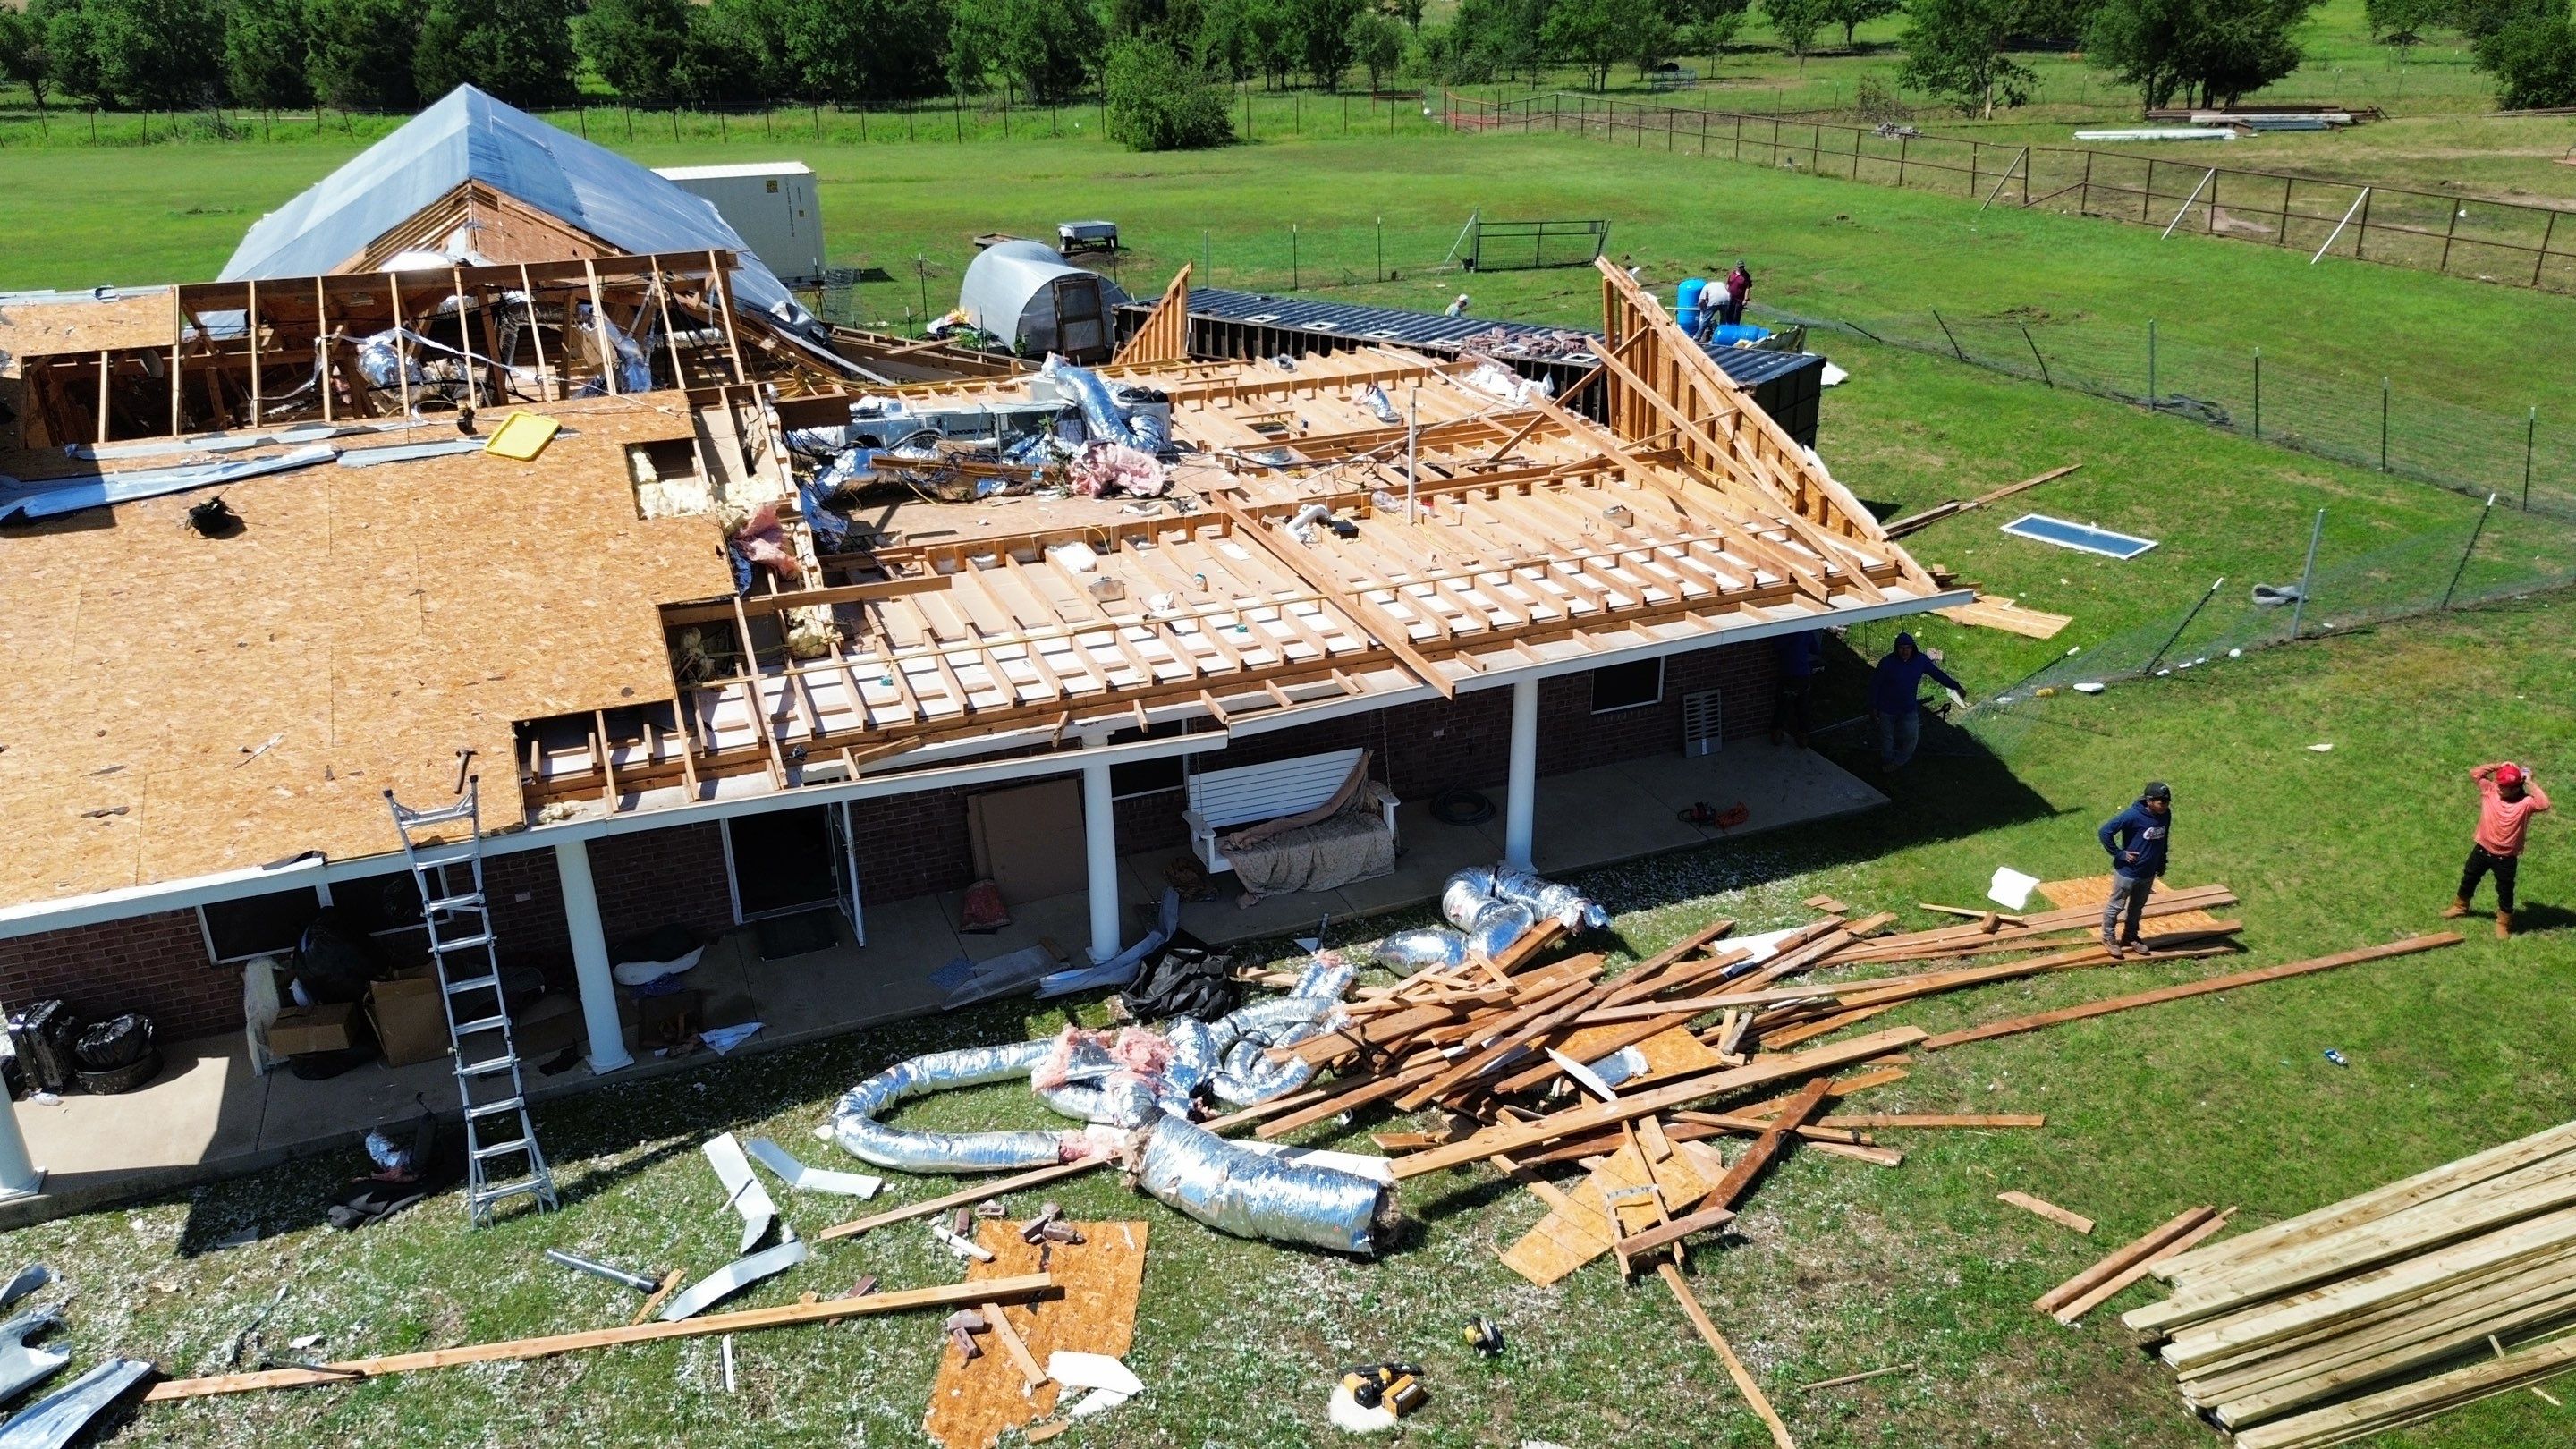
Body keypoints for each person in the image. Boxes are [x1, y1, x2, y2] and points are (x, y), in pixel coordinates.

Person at [2445, 762, 2551, 938]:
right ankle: (2460, 907)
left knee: (2505, 890)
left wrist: (2529, 781)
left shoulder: (2526, 803)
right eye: (2498, 784)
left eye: (2503, 786)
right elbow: (2474, 773)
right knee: (2469, 877)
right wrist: (2498, 765)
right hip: (2482, 849)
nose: (2498, 787)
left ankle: (2503, 922)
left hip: (2506, 858)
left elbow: (2544, 804)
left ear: (2516, 788)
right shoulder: (2490, 790)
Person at [1867, 631, 1963, 771]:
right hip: (1887, 708)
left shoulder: (1920, 661)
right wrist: (1873, 706)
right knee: (1887, 739)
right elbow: (1875, 685)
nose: (1905, 651)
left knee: (1911, 738)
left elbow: (1937, 674)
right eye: (1901, 648)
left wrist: (1955, 686)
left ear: (1913, 648)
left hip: (1908, 708)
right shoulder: (1887, 663)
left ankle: (1899, 762)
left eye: (1908, 648)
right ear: (1896, 648)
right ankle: (1887, 762)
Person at [2097, 782, 2174, 956]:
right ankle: (2108, 938)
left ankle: (2130, 936)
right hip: (2128, 873)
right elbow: (2105, 832)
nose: (2165, 804)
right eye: (2161, 801)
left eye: (2167, 801)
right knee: (2116, 906)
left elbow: (2164, 839)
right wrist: (2119, 853)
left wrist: (2162, 861)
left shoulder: (2165, 815)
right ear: (2149, 800)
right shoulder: (2132, 815)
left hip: (2148, 873)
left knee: (2137, 907)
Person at [1771, 629, 1822, 747]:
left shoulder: (1785, 633)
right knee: (1803, 708)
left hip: (1789, 675)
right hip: (1804, 676)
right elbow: (1816, 650)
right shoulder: (1806, 632)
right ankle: (1803, 738)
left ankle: (1777, 735)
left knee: (1783, 706)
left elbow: (1776, 645)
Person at [1722, 261, 1753, 327]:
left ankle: (1735, 327)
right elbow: (1728, 284)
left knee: (1737, 314)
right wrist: (1726, 292)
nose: (1741, 268)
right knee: (1728, 312)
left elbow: (1747, 288)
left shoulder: (1746, 275)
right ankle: (1727, 326)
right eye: (1740, 267)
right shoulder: (1732, 274)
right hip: (1730, 297)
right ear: (1736, 267)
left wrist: (1745, 299)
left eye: (1743, 267)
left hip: (1740, 299)